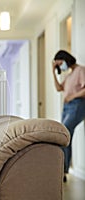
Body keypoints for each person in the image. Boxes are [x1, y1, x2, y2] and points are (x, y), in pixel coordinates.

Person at [52, 50, 85, 182]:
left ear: (66, 59)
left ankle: (62, 171)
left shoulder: (81, 70)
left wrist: (72, 96)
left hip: (77, 105)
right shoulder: (70, 75)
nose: (61, 67)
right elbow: (59, 88)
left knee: (64, 133)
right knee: (64, 135)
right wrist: (53, 71)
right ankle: (62, 171)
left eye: (61, 63)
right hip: (66, 107)